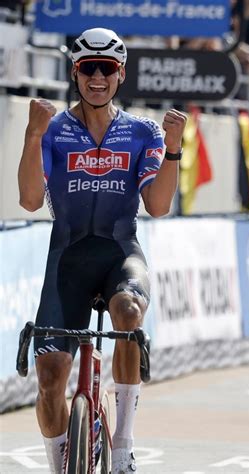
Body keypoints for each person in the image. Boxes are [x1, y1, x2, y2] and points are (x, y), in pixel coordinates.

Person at [17, 28, 186, 473]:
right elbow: (31, 200)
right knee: (51, 379)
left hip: (119, 254)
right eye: (88, 68)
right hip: (67, 260)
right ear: (75, 72)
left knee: (129, 314)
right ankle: (59, 465)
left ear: (120, 74)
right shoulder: (54, 130)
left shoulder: (142, 131)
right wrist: (34, 136)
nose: (97, 77)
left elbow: (158, 206)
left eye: (106, 69)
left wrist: (173, 151)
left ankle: (123, 448)